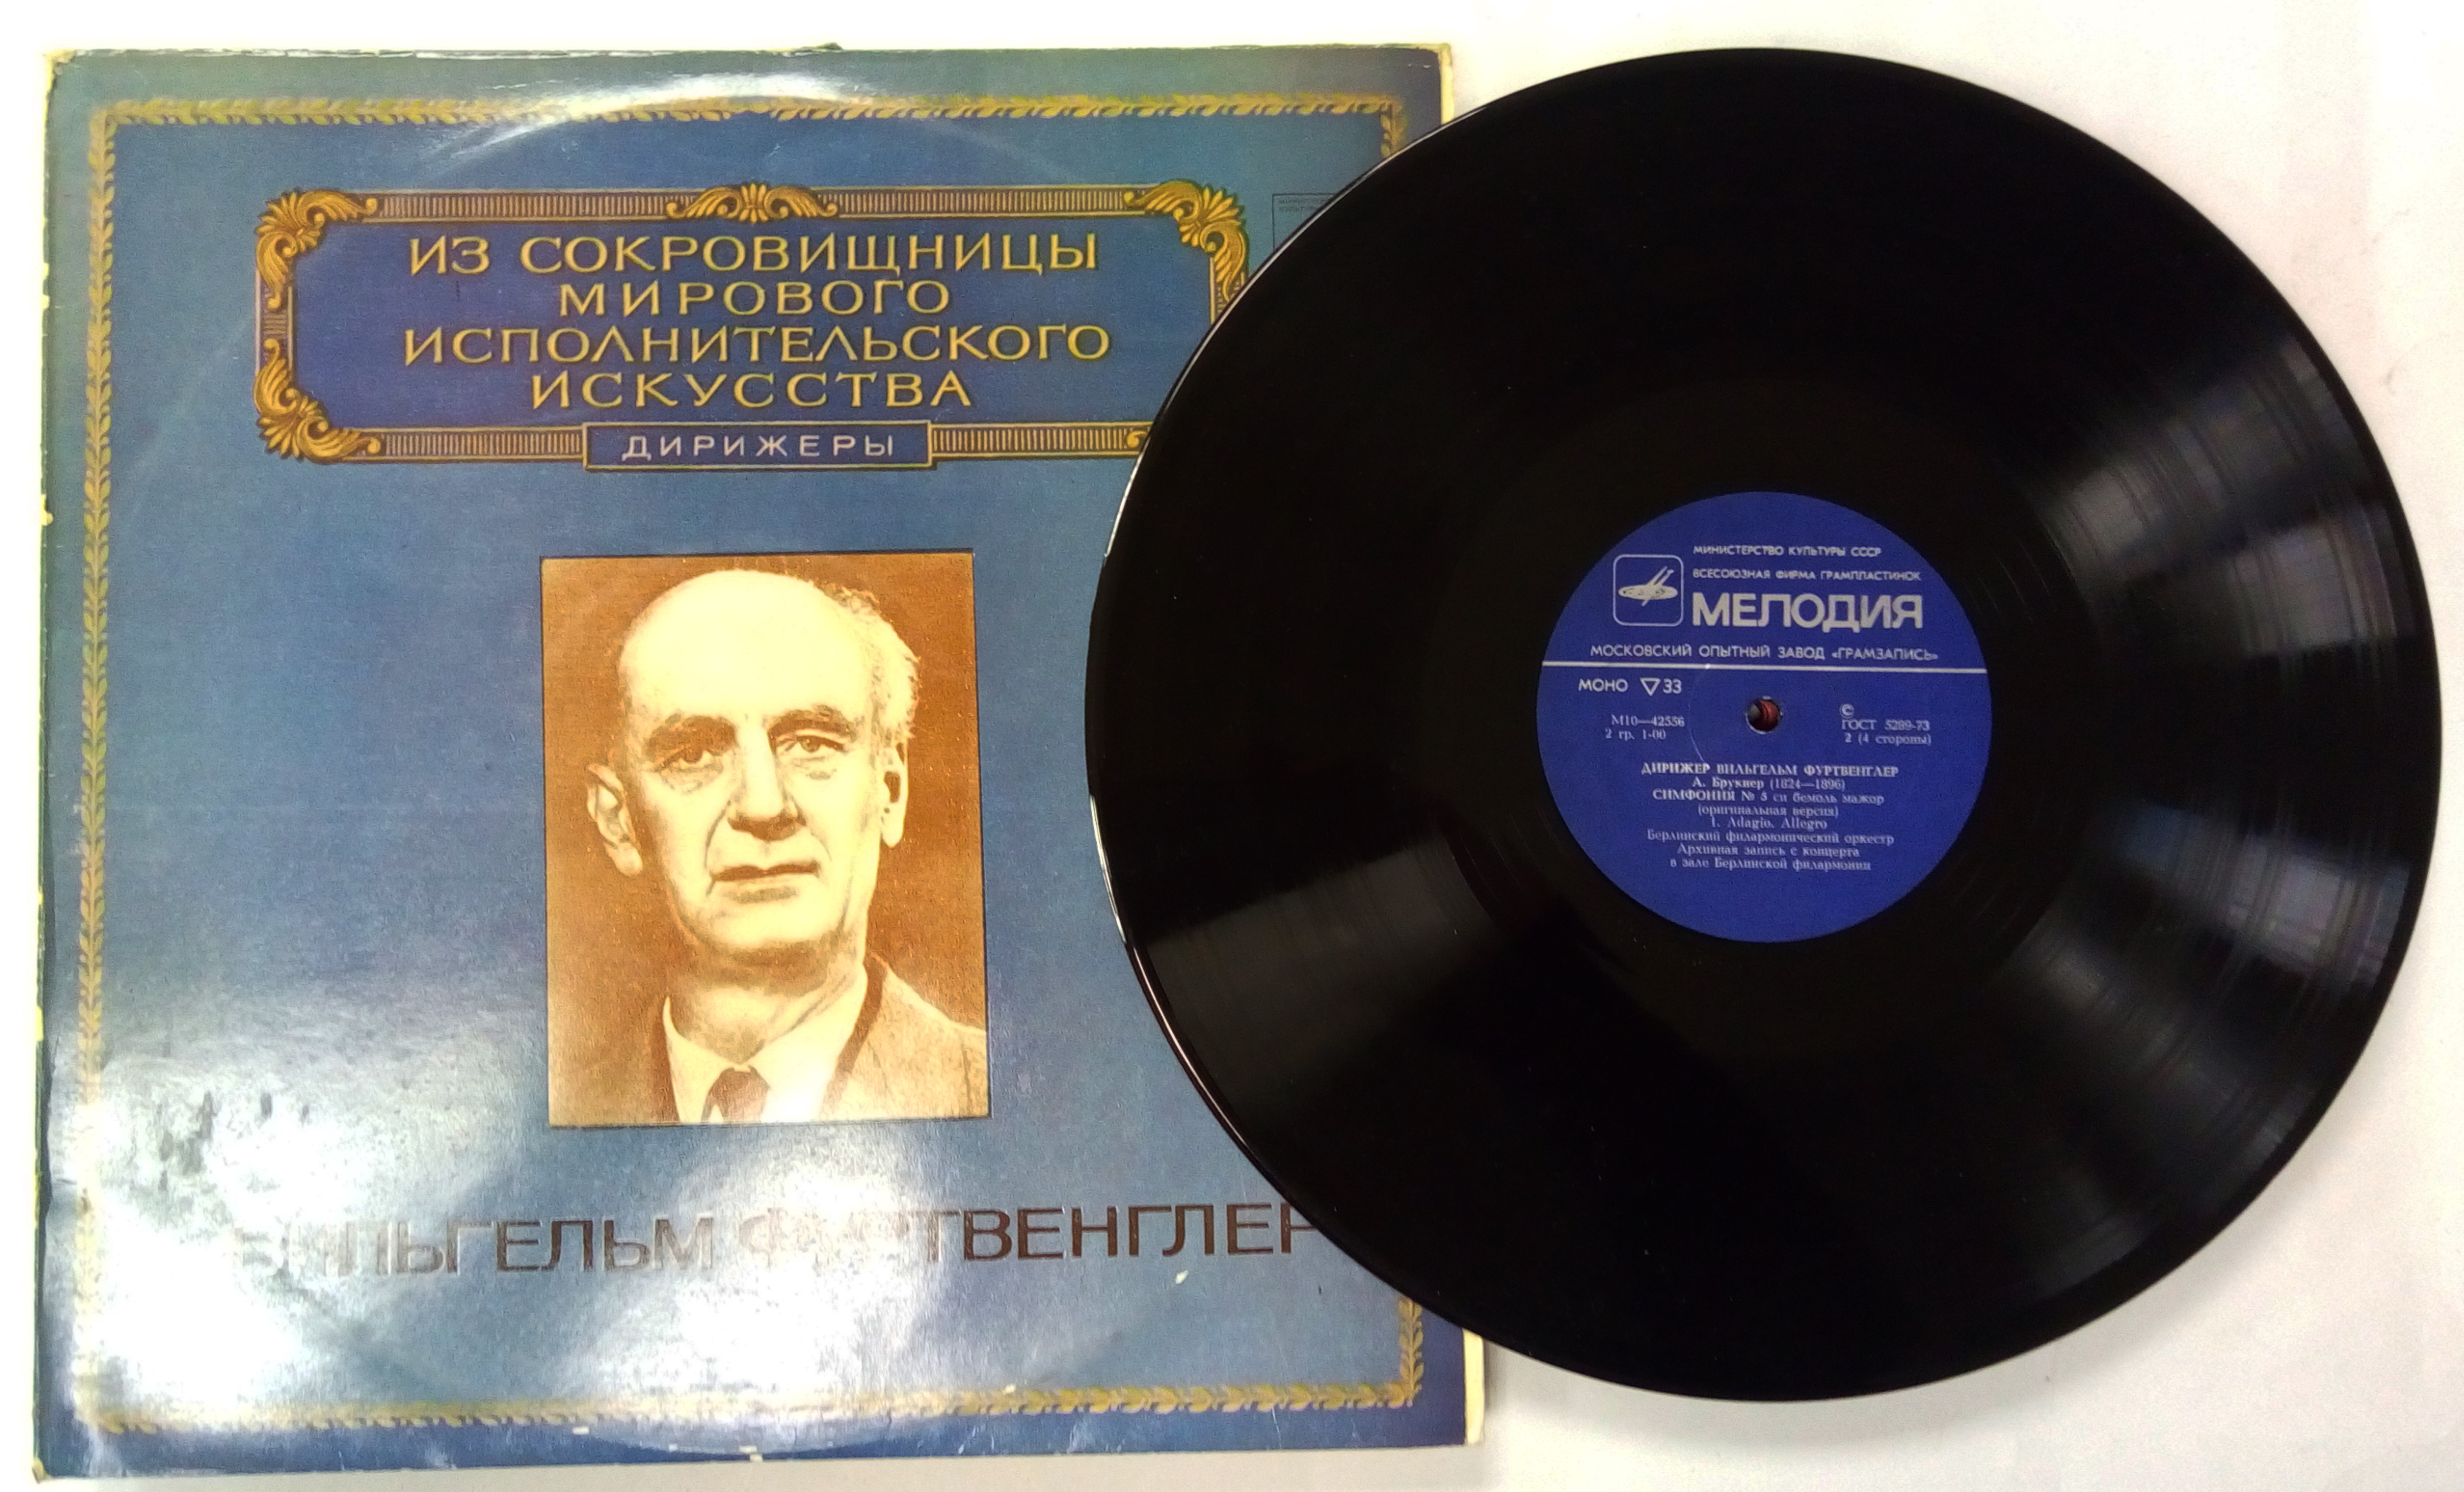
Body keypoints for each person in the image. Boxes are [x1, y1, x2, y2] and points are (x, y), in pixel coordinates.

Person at [564, 569, 987, 1124]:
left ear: (890, 790)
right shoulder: (561, 1116)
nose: (763, 807)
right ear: (618, 821)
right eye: (693, 755)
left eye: (811, 744)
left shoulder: (1017, 1095)